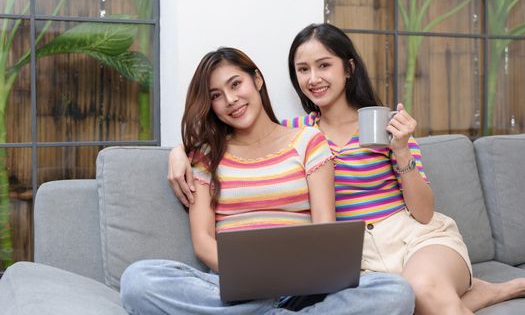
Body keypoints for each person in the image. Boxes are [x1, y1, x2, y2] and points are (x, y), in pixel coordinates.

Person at [168, 24, 525, 315]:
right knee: (399, 298)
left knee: (423, 289)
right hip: (357, 254)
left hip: (411, 237)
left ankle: (478, 292)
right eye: (303, 69)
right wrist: (181, 151)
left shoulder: (385, 124)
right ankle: (483, 295)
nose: (313, 78)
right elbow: (247, 136)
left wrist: (401, 150)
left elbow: (424, 211)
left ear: (348, 68)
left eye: (324, 65)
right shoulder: (297, 132)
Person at [120, 47, 415, 315]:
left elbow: (325, 228)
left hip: (304, 290)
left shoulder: (308, 140)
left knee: (394, 292)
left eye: (236, 84)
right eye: (216, 95)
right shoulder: (205, 154)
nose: (231, 100)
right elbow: (203, 242)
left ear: (257, 80)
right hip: (232, 291)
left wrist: (297, 279)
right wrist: (255, 280)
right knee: (138, 280)